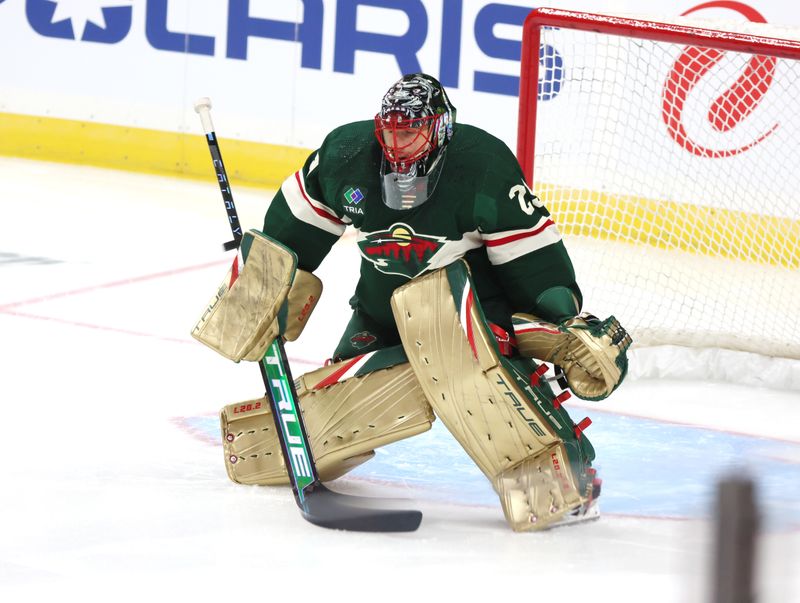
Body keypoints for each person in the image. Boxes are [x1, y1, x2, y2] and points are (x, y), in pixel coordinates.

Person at [198, 73, 631, 531]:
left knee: (469, 375)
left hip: (467, 314)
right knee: (338, 407)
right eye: (389, 131)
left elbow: (535, 266)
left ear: (440, 129)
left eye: (411, 132)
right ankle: (263, 448)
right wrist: (261, 292)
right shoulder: (346, 155)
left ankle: (555, 484)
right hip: (381, 307)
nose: (397, 144)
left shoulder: (482, 166)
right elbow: (288, 241)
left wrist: (562, 322)